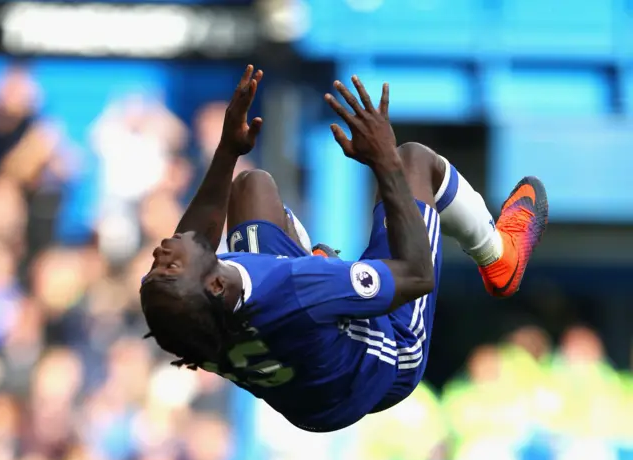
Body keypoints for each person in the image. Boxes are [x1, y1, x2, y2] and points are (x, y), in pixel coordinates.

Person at [141, 66, 548, 434]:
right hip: (382, 365)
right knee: (414, 161)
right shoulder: (297, 288)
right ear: (213, 284)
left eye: (157, 268)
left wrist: (227, 152)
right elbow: (415, 276)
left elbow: (195, 239)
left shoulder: (183, 317)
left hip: (304, 388)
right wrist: (383, 160)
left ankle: (324, 300)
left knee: (250, 187)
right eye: (171, 266)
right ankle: (500, 259)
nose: (160, 256)